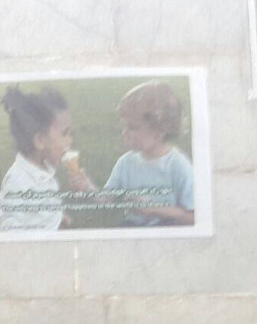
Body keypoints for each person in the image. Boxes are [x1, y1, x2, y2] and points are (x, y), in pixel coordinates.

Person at [68, 81, 194, 227]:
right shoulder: (126, 163)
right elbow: (108, 200)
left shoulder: (178, 165)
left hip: (168, 229)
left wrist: (154, 210)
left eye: (132, 127)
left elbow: (192, 216)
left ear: (160, 130)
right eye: (125, 126)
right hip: (134, 226)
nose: (124, 133)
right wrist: (87, 188)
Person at [0, 86, 73, 231]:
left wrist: (58, 217)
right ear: (40, 140)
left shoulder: (44, 172)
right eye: (65, 134)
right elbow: (6, 228)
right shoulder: (18, 181)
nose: (70, 141)